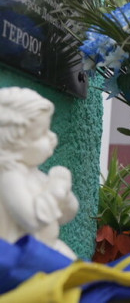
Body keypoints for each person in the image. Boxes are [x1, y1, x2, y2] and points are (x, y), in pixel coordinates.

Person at [0, 87, 79, 259]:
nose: (52, 137)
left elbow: (64, 216)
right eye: (41, 133)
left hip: (46, 249)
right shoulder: (10, 178)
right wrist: (56, 189)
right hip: (23, 258)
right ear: (13, 144)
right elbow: (32, 219)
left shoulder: (33, 174)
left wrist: (65, 197)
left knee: (82, 271)